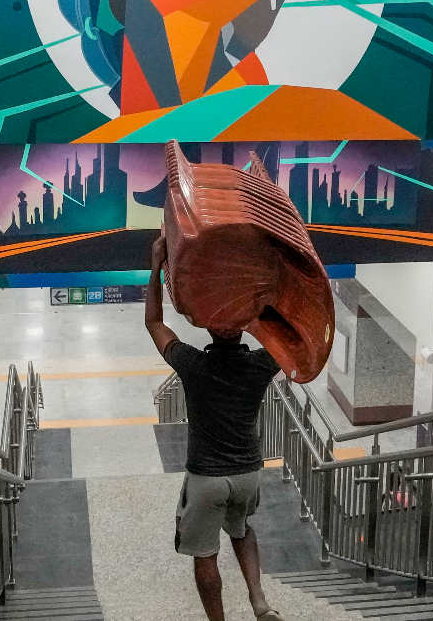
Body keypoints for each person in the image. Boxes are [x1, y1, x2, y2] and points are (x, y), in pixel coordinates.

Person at [144, 235, 285, 621]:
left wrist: (156, 264)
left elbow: (154, 323)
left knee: (204, 554)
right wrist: (268, 278)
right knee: (242, 529)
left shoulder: (193, 364)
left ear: (208, 328)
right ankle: (259, 601)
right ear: (244, 328)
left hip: (207, 479)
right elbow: (288, 332)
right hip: (248, 475)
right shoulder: (262, 364)